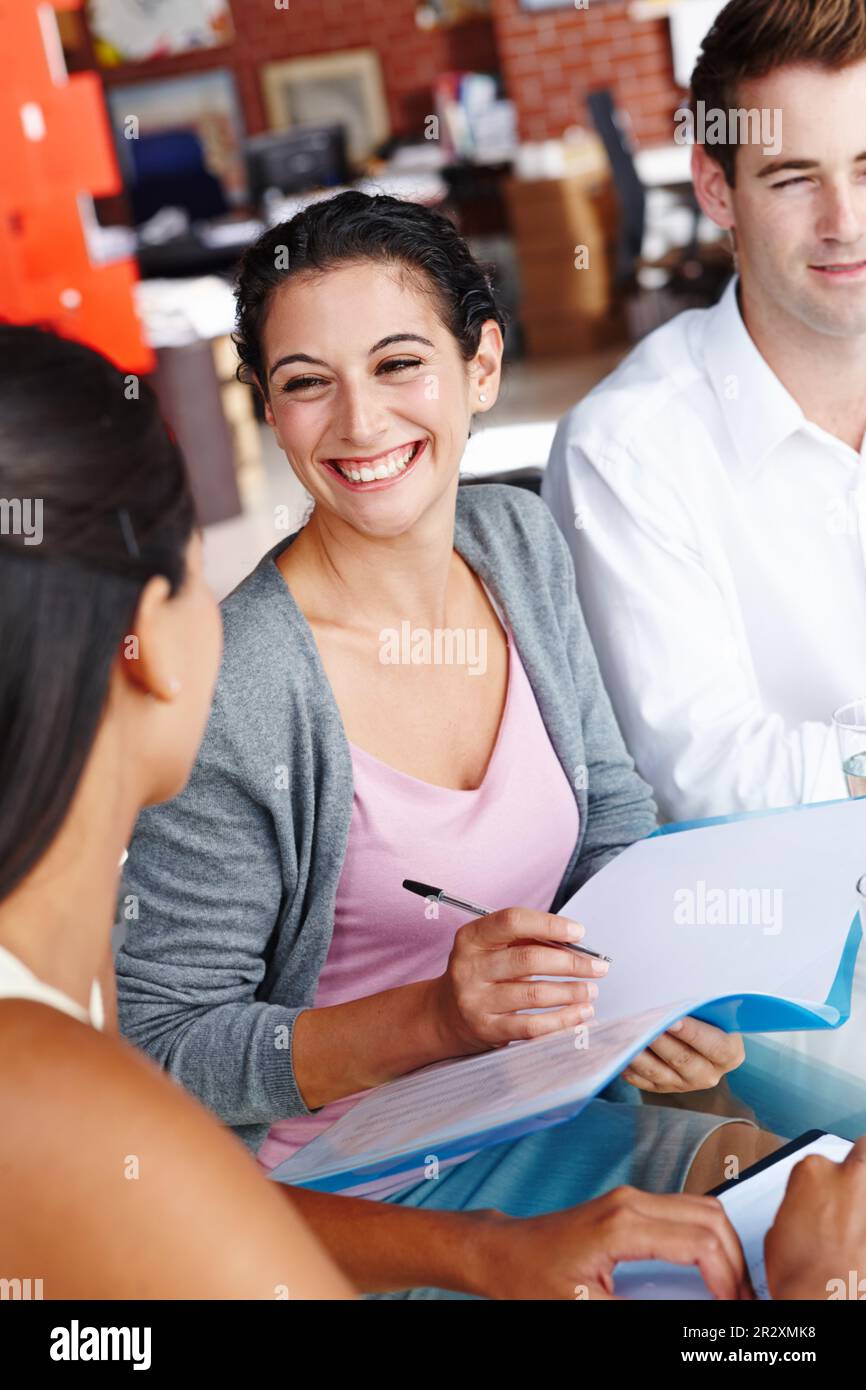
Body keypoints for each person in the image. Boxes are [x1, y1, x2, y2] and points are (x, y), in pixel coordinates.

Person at [114, 192, 785, 1300]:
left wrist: (659, 993)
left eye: (396, 364)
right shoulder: (240, 685)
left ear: (481, 367)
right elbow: (165, 1043)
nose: (359, 424)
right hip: (354, 1195)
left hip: (553, 1096)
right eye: (304, 383)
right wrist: (431, 1019)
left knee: (811, 1220)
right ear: (269, 413)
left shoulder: (514, 542)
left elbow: (607, 814)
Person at [542, 0, 866, 1085]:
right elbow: (704, 781)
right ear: (716, 187)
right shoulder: (625, 452)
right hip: (800, 984)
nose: (844, 222)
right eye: (792, 179)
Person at [0, 326, 351, 1299]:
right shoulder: (57, 1102)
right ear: (148, 638)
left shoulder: (69, 948)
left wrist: (486, 1249)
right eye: (200, 570)